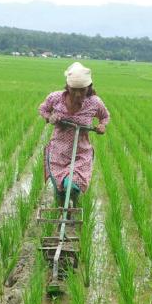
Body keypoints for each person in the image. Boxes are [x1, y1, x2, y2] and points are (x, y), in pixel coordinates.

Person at [38, 62, 110, 208]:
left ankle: (73, 202)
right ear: (67, 86)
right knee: (59, 186)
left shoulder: (94, 102)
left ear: (89, 88)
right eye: (73, 90)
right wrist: (49, 118)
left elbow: (105, 116)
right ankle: (62, 207)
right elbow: (43, 109)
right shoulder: (56, 98)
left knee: (72, 184)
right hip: (58, 150)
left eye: (82, 91)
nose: (78, 94)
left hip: (81, 152)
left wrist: (102, 126)